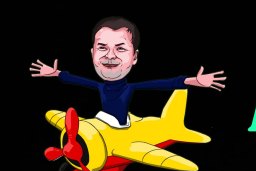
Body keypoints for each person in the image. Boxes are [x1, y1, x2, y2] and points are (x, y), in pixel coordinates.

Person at [31, 16, 225, 128]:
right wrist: (57, 74)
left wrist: (191, 81)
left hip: (120, 128)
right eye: (102, 48)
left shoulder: (129, 88)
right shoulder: (99, 85)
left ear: (135, 57)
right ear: (92, 53)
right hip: (102, 123)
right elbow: (76, 80)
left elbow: (161, 83)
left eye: (121, 48)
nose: (110, 56)